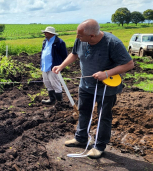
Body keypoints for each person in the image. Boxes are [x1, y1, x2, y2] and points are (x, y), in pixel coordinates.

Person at [52, 19, 134, 159]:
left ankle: (99, 146)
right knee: (83, 111)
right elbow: (74, 53)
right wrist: (61, 66)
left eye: (80, 36)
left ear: (92, 36)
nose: (77, 38)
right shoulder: (81, 39)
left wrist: (107, 73)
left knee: (103, 116)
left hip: (106, 88)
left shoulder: (112, 43)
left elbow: (129, 64)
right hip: (86, 85)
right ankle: (81, 138)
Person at [40, 26, 67, 105]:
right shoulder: (45, 41)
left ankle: (59, 102)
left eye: (46, 32)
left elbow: (64, 55)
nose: (45, 34)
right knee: (47, 83)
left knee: (55, 83)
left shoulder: (59, 42)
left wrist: (60, 65)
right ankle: (52, 99)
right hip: (44, 66)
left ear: (51, 33)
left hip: (54, 67)